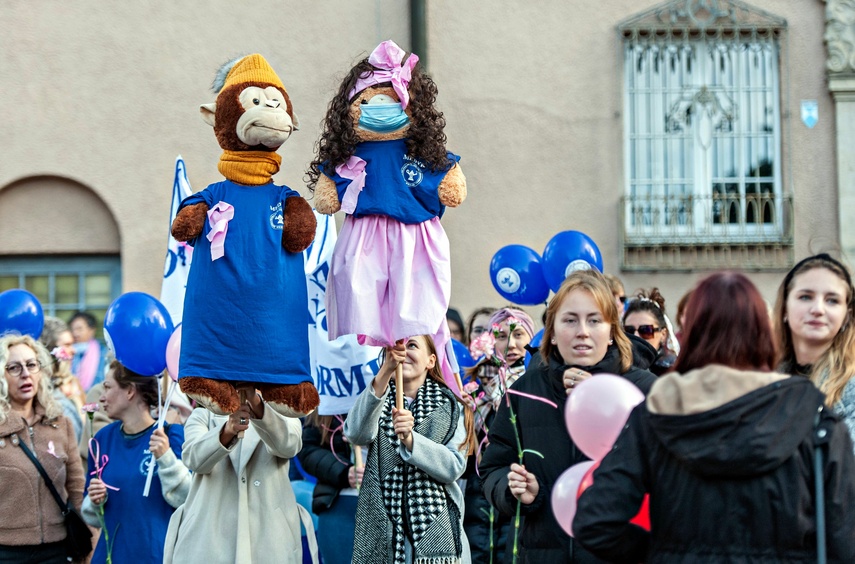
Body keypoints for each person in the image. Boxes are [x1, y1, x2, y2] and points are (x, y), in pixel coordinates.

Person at [573, 272, 855, 562]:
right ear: (764, 331)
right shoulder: (813, 417)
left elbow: (595, 522)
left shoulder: (657, 413)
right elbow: (843, 541)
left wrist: (663, 554)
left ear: (692, 332)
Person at [479, 269, 656, 563]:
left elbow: (670, 475)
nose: (582, 331)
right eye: (570, 320)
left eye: (595, 320)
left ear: (612, 331)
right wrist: (515, 490)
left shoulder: (645, 390)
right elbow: (492, 469)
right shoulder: (524, 393)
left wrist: (604, 403)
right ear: (553, 330)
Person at [344, 335, 476, 563]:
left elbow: (454, 466)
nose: (403, 351)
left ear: (431, 360)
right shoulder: (375, 399)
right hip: (383, 536)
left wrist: (411, 440)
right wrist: (385, 372)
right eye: (394, 346)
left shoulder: (455, 408)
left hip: (440, 542)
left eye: (412, 345)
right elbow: (356, 433)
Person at [163, 387, 317, 564]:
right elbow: (194, 459)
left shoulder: (283, 410)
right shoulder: (203, 415)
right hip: (209, 540)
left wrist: (257, 406)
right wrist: (227, 431)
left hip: (269, 539)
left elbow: (290, 445)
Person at [81, 361, 190, 564]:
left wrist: (165, 457)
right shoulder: (102, 439)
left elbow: (188, 500)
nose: (102, 397)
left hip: (156, 556)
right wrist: (96, 501)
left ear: (130, 391)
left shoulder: (171, 436)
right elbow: (93, 515)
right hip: (111, 556)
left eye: (107, 387)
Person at [0, 334, 86, 563]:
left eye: (31, 365)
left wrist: (90, 539)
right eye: (14, 368)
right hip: (6, 552)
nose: (26, 374)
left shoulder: (60, 422)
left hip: (56, 551)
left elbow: (77, 488)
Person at [463, 308, 535, 564]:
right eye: (502, 336)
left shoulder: (534, 384)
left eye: (519, 335)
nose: (511, 344)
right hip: (479, 491)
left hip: (518, 487)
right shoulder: (478, 382)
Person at [774, 253, 855, 447]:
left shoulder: (851, 388)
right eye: (805, 297)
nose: (818, 309)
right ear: (785, 308)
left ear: (846, 316)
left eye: (832, 300)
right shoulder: (763, 379)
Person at [297, 412, 360, 564]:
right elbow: (307, 451)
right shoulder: (326, 404)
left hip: (387, 503)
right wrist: (344, 473)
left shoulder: (397, 399)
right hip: (337, 502)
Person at [39, 316, 84, 441]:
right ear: (50, 350)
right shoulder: (39, 390)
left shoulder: (73, 382)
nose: (73, 351)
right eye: (67, 345)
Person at [622, 288, 677, 376]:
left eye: (646, 330)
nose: (636, 336)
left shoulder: (674, 372)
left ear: (663, 334)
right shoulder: (614, 368)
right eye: (629, 331)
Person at [69, 311, 107, 392]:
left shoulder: (103, 353)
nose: (75, 333)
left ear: (91, 330)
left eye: (79, 329)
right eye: (72, 329)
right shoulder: (68, 352)